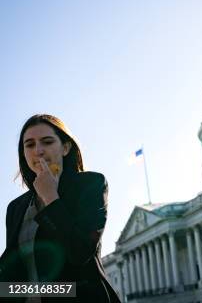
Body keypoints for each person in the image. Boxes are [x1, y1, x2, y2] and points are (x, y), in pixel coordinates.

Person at [0, 114, 120, 302]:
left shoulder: (91, 184)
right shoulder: (16, 207)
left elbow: (79, 252)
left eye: (47, 142)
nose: (38, 151)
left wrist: (50, 197)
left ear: (65, 147)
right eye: (29, 145)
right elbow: (13, 272)